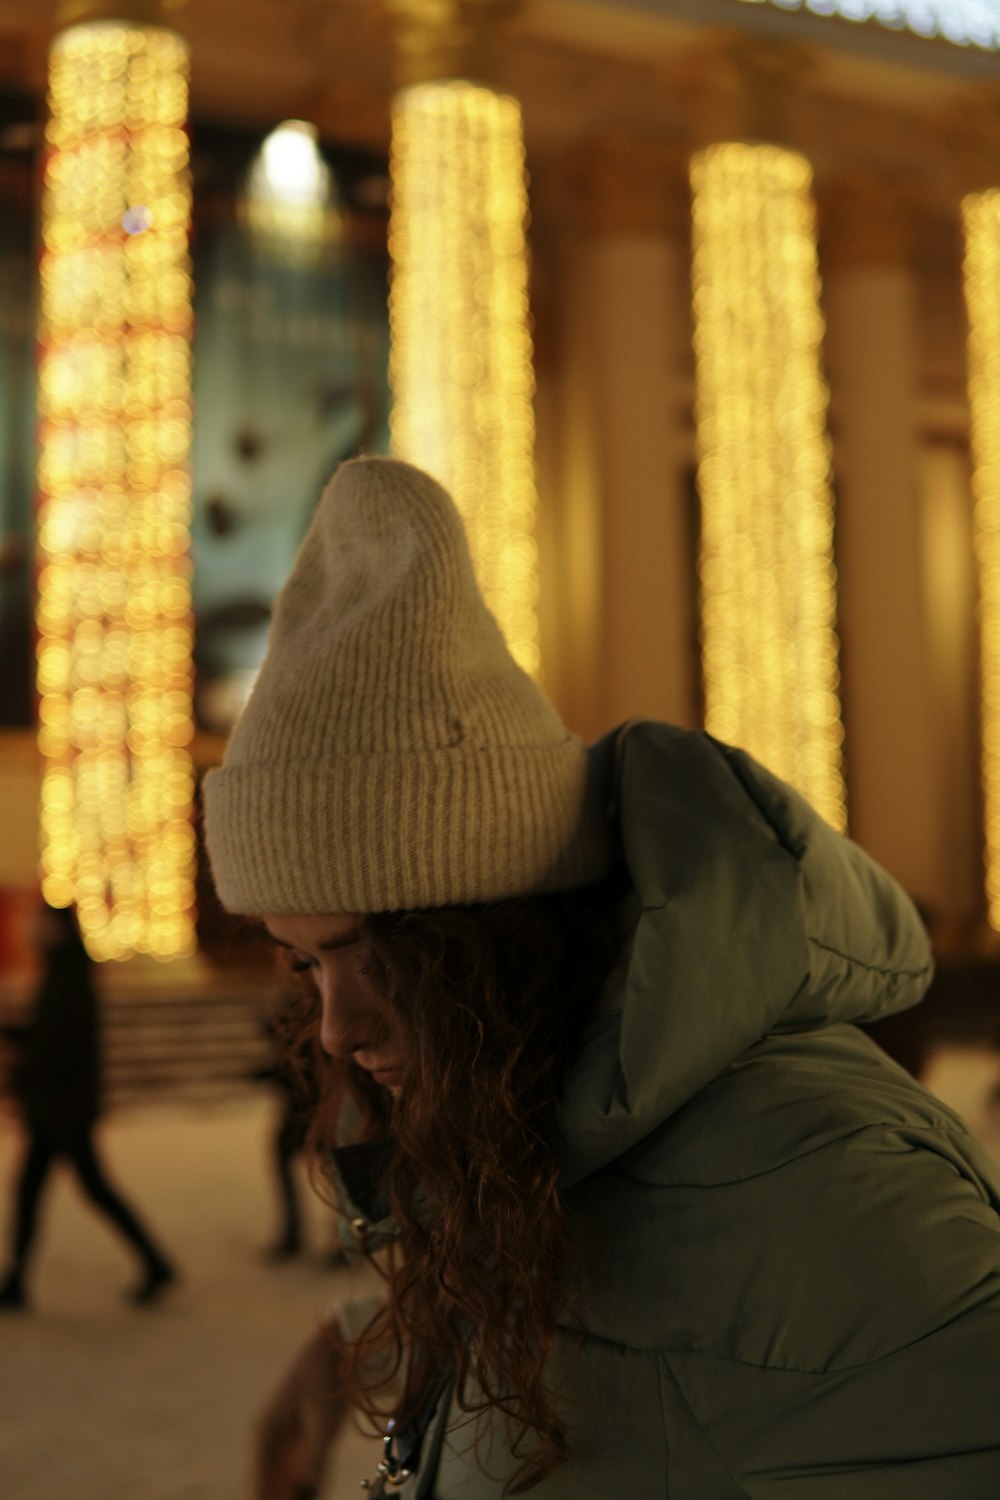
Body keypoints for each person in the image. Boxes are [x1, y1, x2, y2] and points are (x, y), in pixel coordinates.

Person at [203, 456, 1000, 1499]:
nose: (335, 1028)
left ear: (504, 940)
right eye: (304, 963)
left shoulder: (829, 1179)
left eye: (375, 956)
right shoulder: (532, 1132)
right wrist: (371, 1339)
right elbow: (637, 1342)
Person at [0, 902, 177, 1310]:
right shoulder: (60, 971)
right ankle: (16, 1281)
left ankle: (155, 1263)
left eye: (41, 924)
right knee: (38, 1191)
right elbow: (50, 1036)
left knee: (92, 1191)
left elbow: (62, 1046)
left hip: (63, 1110)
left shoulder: (70, 978)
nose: (34, 931)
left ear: (59, 930)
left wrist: (24, 1062)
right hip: (55, 1108)